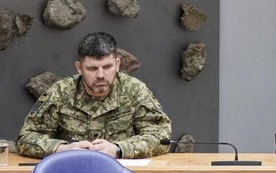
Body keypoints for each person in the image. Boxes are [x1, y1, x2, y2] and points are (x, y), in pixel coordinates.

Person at [16, 31, 171, 158]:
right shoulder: (61, 92)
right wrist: (63, 149)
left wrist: (118, 149)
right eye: (92, 68)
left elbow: (161, 138)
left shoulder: (135, 90)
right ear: (79, 68)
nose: (101, 75)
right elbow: (26, 139)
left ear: (117, 64)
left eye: (107, 66)